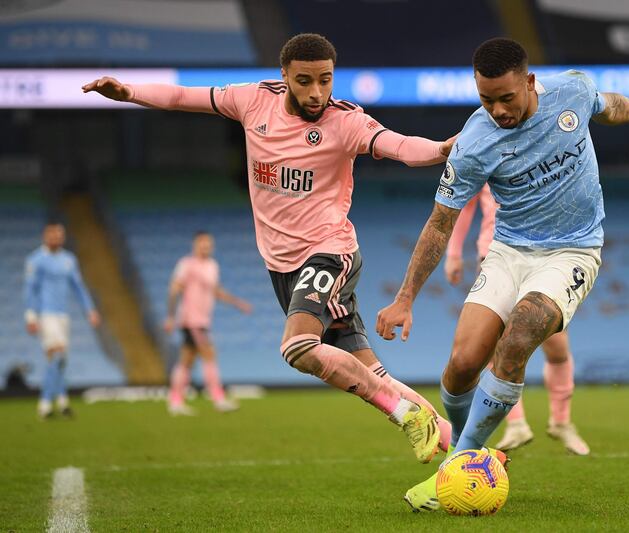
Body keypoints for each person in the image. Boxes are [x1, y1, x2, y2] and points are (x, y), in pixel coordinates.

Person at [83, 33, 456, 462]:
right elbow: (182, 96)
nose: (316, 93)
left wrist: (441, 149)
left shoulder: (345, 121)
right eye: (304, 81)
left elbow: (399, 146)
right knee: (373, 373)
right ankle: (467, 452)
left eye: (325, 80)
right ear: (284, 76)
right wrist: (129, 92)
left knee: (297, 348)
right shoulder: (253, 101)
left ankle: (404, 414)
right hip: (281, 266)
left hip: (329, 250)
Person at [377, 37, 629, 510]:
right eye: (486, 99)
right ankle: (469, 450)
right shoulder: (474, 142)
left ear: (530, 82)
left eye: (506, 97)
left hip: (573, 251)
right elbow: (440, 224)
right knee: (461, 367)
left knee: (519, 337)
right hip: (508, 251)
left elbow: (610, 106)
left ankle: (453, 469)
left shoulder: (572, 92)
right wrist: (404, 297)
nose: (497, 109)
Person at [445, 185, 590, 455]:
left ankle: (561, 421)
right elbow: (465, 204)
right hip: (494, 251)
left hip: (542, 251)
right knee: (495, 343)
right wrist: (454, 253)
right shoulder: (484, 148)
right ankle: (516, 423)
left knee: (556, 345)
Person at [164, 231, 252, 415]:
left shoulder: (212, 266)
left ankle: (175, 401)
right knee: (209, 354)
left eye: (209, 244)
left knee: (186, 360)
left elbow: (215, 291)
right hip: (191, 320)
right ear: (195, 244)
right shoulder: (186, 264)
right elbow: (174, 289)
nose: (206, 247)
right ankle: (218, 398)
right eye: (203, 243)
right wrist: (171, 316)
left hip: (203, 320)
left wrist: (238, 303)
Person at [24, 222, 101, 418]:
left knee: (61, 360)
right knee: (57, 356)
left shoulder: (69, 260)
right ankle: (45, 403)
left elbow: (78, 287)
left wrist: (90, 309)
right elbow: (30, 289)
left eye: (60, 234)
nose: (57, 238)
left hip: (63, 316)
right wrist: (30, 315)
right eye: (53, 234)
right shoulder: (36, 260)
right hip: (46, 314)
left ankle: (62, 402)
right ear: (45, 236)